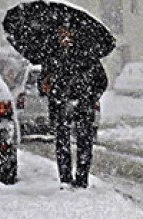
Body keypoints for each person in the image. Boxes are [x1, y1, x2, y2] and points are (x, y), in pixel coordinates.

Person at [39, 26, 109, 189]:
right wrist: (45, 86)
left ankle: (81, 179)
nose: (64, 37)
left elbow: (102, 81)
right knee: (62, 143)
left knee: (84, 142)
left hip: (83, 106)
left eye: (67, 33)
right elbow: (42, 84)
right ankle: (65, 179)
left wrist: (90, 98)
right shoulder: (51, 57)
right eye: (61, 33)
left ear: (74, 35)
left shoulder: (87, 56)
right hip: (59, 106)